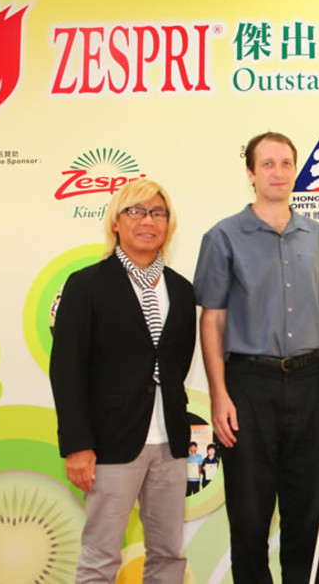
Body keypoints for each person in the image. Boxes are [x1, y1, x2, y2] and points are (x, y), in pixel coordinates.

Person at [194, 131, 319, 583]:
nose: (279, 172)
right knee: (249, 519)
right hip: (248, 387)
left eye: (286, 163)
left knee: (308, 515)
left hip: (312, 382)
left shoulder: (317, 235)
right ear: (251, 174)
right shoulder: (223, 236)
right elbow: (211, 320)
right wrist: (219, 396)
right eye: (268, 164)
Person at [50, 179, 196, 582]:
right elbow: (66, 369)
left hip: (170, 442)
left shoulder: (182, 291)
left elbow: (176, 365)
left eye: (158, 213)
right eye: (136, 211)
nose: (148, 221)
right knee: (100, 557)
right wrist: (78, 445)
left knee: (168, 554)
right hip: (109, 442)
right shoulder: (87, 285)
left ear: (168, 224)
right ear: (116, 222)